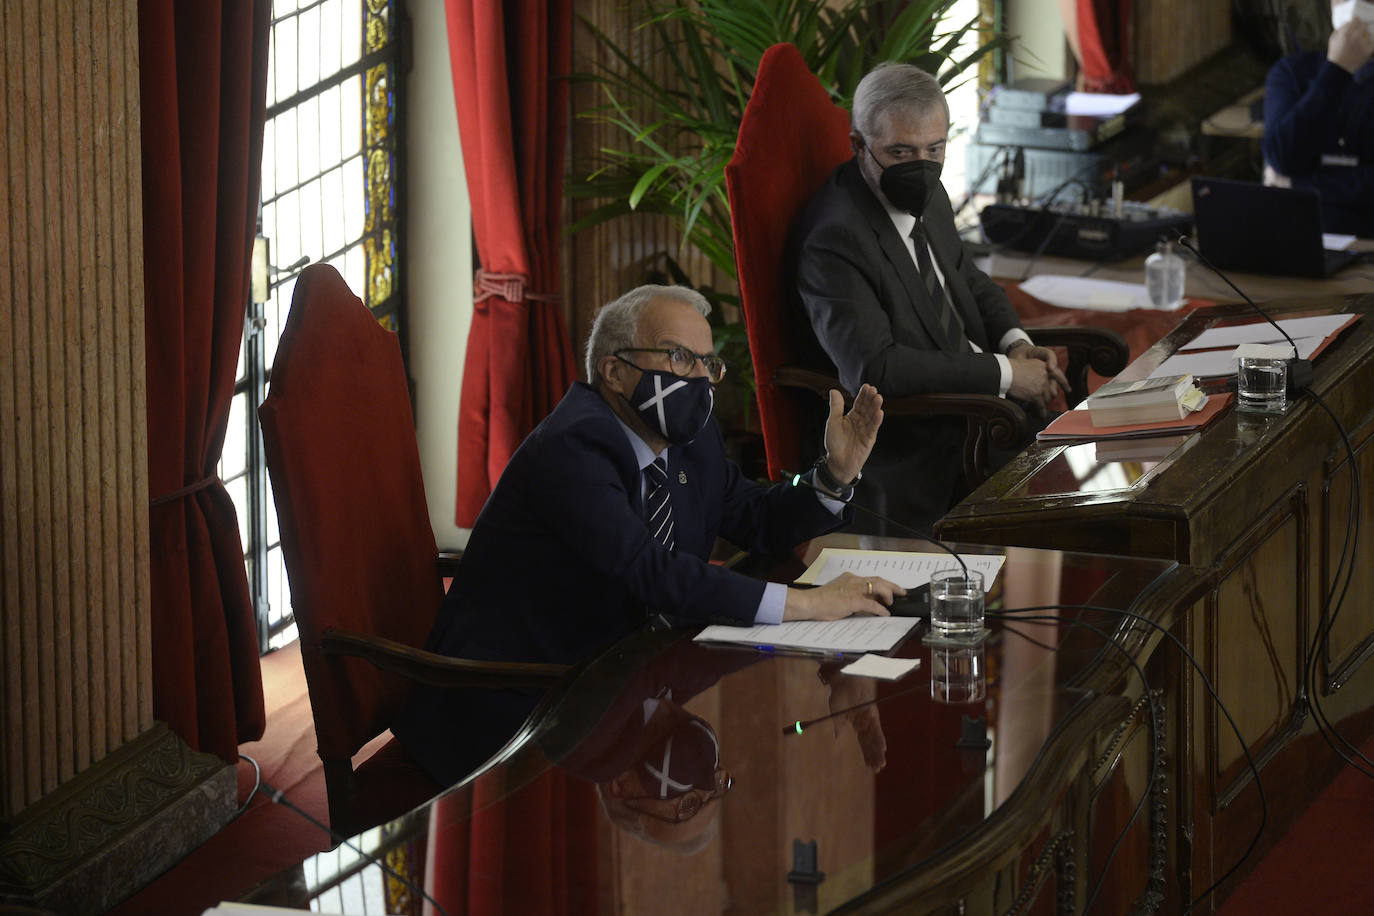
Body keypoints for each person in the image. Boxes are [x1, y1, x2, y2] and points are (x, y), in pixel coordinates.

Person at [393, 284, 903, 784]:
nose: (699, 379)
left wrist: (834, 476)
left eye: (707, 364)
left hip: (619, 684)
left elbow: (757, 518)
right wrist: (810, 603)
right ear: (614, 371)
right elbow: (651, 572)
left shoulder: (689, 439)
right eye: (679, 357)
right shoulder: (574, 446)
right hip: (513, 706)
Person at [790, 62, 1068, 534]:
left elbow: (966, 277)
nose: (921, 167)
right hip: (922, 453)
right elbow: (875, 368)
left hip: (990, 421)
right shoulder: (834, 238)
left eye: (933, 149)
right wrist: (1005, 374)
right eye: (900, 152)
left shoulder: (929, 194)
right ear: (858, 144)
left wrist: (1015, 342)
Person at [1262, 0, 1374, 237]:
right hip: (1298, 234)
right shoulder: (1291, 72)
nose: (1355, 6)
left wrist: (1297, 184)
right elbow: (1283, 158)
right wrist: (1337, 70)